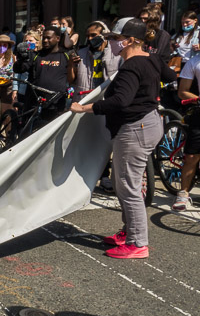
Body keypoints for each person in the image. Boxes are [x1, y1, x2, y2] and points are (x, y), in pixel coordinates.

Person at [70, 18, 175, 259]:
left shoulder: (131, 65)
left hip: (135, 127)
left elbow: (120, 101)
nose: (113, 44)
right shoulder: (151, 58)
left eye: (116, 39)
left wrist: (84, 109)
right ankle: (129, 232)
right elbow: (169, 75)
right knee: (124, 182)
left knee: (128, 187)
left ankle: (138, 242)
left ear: (130, 40)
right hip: (146, 122)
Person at [13, 26, 78, 118]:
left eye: (49, 38)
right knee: (29, 131)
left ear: (58, 38)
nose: (45, 40)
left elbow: (73, 78)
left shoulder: (66, 55)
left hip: (56, 105)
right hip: (34, 103)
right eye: (44, 37)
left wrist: (73, 64)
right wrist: (21, 58)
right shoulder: (36, 55)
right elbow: (18, 69)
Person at [172, 54, 200, 211]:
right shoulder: (194, 62)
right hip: (199, 110)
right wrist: (197, 99)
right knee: (191, 156)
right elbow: (183, 91)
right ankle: (183, 193)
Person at [72, 21, 123, 99]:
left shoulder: (116, 53)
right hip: (84, 99)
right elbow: (71, 80)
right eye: (87, 36)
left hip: (106, 100)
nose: (90, 38)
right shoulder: (81, 53)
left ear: (104, 35)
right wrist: (71, 65)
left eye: (93, 35)